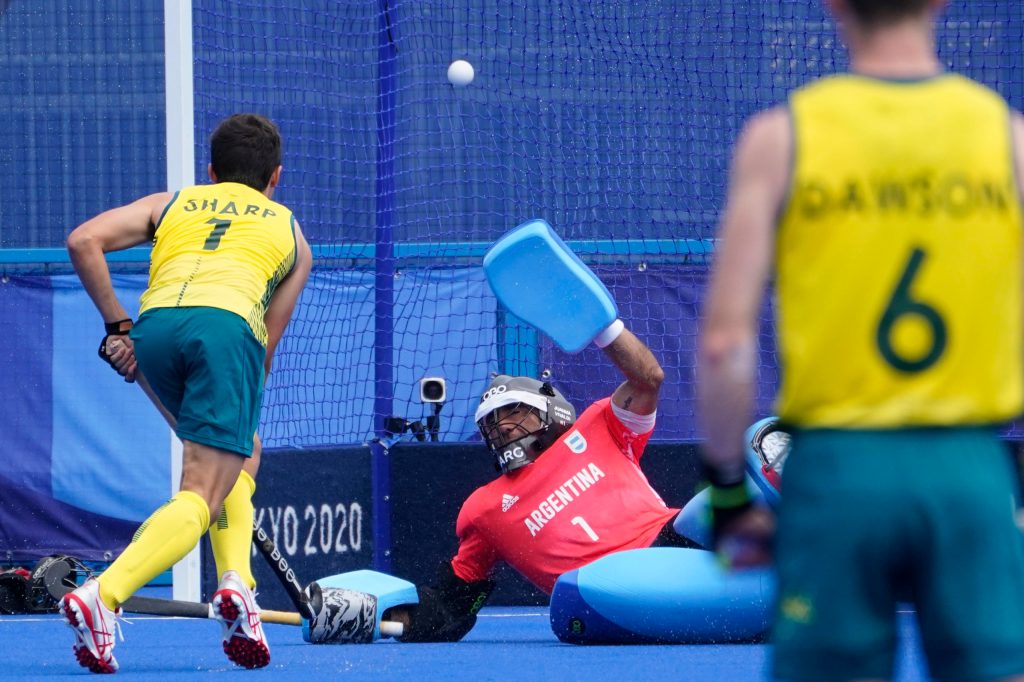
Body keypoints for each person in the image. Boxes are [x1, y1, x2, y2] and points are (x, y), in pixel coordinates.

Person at [697, 1, 1024, 680]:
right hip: (969, 471)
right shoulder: (1008, 138)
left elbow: (724, 345)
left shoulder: (781, 139)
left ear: (834, 5)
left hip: (837, 475)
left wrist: (729, 493)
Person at [61, 113, 313, 673]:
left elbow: (84, 241)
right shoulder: (292, 233)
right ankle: (102, 595)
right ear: (276, 176)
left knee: (243, 450)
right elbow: (264, 346)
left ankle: (237, 588)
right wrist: (233, 390)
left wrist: (119, 329)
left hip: (153, 328)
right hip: (227, 331)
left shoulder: (173, 202)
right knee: (204, 488)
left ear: (211, 170)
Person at [386, 319, 717, 642]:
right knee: (570, 603)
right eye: (490, 424)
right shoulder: (483, 508)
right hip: (594, 594)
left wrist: (601, 323)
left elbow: (648, 378)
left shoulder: (600, 425)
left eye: (514, 411)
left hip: (671, 547)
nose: (501, 426)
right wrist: (383, 621)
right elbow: (450, 606)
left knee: (733, 477)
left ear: (550, 409)